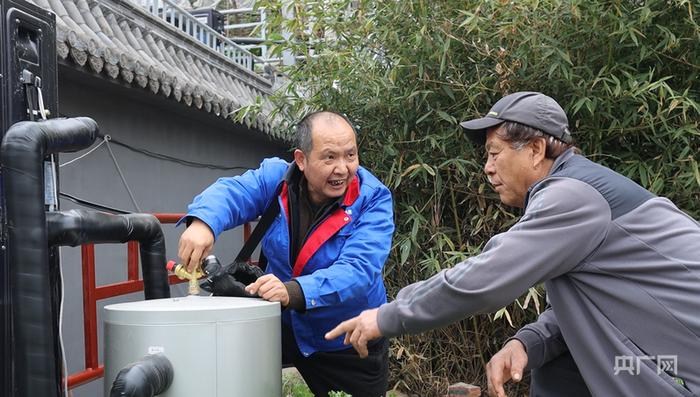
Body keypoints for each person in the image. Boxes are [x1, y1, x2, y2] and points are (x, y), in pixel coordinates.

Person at [326, 92, 700, 397]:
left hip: (683, 363)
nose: (487, 168)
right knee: (557, 369)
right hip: (668, 355)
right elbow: (579, 312)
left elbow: (486, 278)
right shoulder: (577, 194)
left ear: (536, 149)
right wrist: (527, 343)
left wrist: (386, 316)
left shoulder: (572, 197)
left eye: (493, 153)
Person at [177, 111, 394, 397]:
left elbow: (358, 271)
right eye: (329, 157)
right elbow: (234, 192)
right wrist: (203, 223)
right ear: (301, 160)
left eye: (350, 155)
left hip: (346, 337)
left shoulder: (373, 199)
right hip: (281, 325)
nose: (342, 168)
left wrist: (291, 291)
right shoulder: (277, 179)